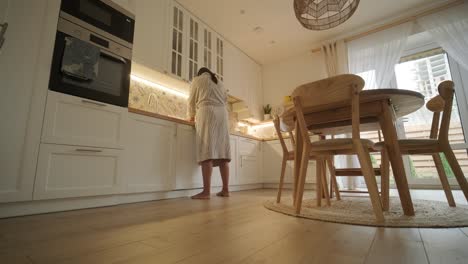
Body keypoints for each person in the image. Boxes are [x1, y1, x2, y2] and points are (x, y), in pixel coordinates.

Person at [187, 67, 231, 199]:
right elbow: (225, 100)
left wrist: (191, 116)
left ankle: (206, 192)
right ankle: (226, 190)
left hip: (207, 113)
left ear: (199, 73)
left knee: (207, 151)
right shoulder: (220, 82)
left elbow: (191, 101)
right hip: (223, 115)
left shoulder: (197, 80)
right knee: (223, 154)